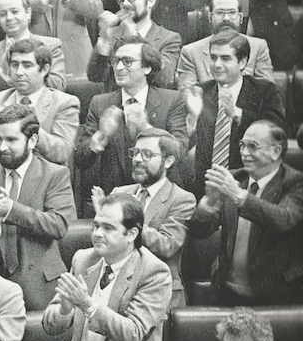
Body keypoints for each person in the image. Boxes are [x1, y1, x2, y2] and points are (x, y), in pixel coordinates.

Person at [43, 193, 187, 341]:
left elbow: (133, 334)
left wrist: (88, 305)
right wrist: (65, 309)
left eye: (108, 228)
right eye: (96, 226)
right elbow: (51, 325)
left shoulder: (154, 272)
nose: (97, 234)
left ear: (131, 234)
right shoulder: (82, 259)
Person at [0, 104, 76, 309]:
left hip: (40, 285)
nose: (2, 147)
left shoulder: (55, 174)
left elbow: (59, 225)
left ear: (32, 140)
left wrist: (11, 211)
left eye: (11, 140)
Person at [188, 120, 303, 305]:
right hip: (227, 292)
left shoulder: (295, 182)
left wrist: (239, 196)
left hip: (274, 297)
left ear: (275, 151)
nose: (244, 152)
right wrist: (206, 204)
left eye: (252, 146)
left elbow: (283, 220)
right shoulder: (235, 178)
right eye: (242, 145)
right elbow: (199, 232)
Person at [74, 36, 188, 194]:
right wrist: (101, 135)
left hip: (159, 196)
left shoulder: (171, 100)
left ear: (147, 67)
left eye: (127, 61)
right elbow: (80, 159)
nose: (119, 67)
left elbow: (179, 151)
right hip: (114, 197)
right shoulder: (100, 103)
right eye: (116, 61)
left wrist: (146, 128)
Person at [96, 128, 195, 308]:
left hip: (160, 295)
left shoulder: (182, 199)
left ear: (168, 161)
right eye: (135, 153)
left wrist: (126, 221)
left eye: (147, 154)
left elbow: (167, 246)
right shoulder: (120, 193)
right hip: (117, 290)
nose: (137, 159)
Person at [184, 30, 285, 196]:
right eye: (213, 57)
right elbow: (184, 142)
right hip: (204, 189)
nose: (217, 64)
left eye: (225, 58)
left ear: (242, 62)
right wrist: (192, 118)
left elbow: (277, 131)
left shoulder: (264, 90)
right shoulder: (200, 92)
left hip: (248, 187)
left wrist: (236, 113)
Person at [0, 38, 80, 165]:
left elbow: (61, 153)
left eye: (27, 66)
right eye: (14, 65)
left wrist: (23, 125)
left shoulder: (64, 103)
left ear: (44, 70)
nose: (19, 72)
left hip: (43, 176)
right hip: (1, 174)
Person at [0, 0, 66, 109]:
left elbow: (58, 86)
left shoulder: (50, 46)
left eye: (15, 12)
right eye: (3, 14)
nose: (9, 18)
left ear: (28, 13)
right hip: (0, 116)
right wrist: (1, 74)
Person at [88, 0, 183, 89]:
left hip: (150, 99)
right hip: (116, 98)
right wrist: (104, 41)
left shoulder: (169, 38)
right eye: (122, 0)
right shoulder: (112, 34)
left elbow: (163, 78)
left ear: (150, 1)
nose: (125, 4)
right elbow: (95, 77)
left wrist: (133, 36)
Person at [175, 0, 274, 88]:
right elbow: (188, 93)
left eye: (232, 12)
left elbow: (267, 90)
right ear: (210, 17)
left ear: (240, 18)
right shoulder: (191, 52)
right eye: (219, 12)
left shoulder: (258, 47)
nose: (226, 18)